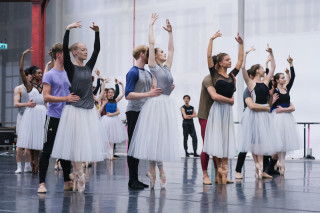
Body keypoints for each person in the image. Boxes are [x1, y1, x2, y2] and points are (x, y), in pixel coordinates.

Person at [51, 21, 107, 193]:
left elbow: (97, 50)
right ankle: (78, 172)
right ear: (74, 52)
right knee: (75, 144)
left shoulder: (88, 67)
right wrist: (67, 29)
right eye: (82, 49)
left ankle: (78, 172)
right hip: (74, 110)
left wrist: (97, 33)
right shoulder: (70, 67)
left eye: (85, 49)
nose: (85, 51)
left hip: (88, 109)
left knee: (84, 143)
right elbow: (65, 47)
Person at [128, 13, 181, 190]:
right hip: (156, 105)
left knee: (161, 138)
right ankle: (156, 169)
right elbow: (151, 44)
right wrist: (150, 26)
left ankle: (154, 169)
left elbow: (172, 50)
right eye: (161, 52)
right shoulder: (153, 67)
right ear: (155, 55)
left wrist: (171, 34)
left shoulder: (167, 68)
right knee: (154, 138)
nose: (165, 53)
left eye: (164, 51)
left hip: (166, 104)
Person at [37, 43, 80, 193]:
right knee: (47, 150)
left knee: (65, 150)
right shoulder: (49, 75)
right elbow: (46, 97)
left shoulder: (69, 73)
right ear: (58, 55)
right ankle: (42, 183)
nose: (67, 56)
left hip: (67, 117)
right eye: (64, 53)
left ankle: (67, 181)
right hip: (53, 116)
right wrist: (66, 98)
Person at [203, 30, 243, 184]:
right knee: (217, 138)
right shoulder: (214, 74)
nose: (230, 61)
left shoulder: (231, 75)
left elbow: (240, 61)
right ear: (219, 63)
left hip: (226, 111)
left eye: (230, 59)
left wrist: (241, 44)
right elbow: (208, 56)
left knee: (225, 139)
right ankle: (219, 167)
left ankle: (223, 168)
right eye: (227, 60)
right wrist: (211, 39)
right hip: (217, 109)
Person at [125, 39, 162, 190]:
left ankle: (136, 178)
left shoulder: (147, 72)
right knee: (133, 145)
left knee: (138, 145)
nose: (150, 57)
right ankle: (132, 179)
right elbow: (128, 94)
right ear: (142, 54)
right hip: (134, 111)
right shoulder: (132, 72)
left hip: (144, 111)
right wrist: (148, 93)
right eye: (148, 54)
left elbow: (153, 91)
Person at [239, 44, 281, 179]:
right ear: (257, 71)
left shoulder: (266, 81)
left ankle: (260, 167)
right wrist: (245, 53)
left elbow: (273, 67)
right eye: (262, 68)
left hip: (264, 114)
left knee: (262, 141)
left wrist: (272, 53)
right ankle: (257, 163)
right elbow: (243, 68)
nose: (264, 69)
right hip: (254, 114)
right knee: (253, 140)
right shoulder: (251, 84)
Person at [235, 69, 273, 179]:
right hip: (250, 119)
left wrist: (270, 98)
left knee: (261, 143)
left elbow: (267, 104)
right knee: (246, 145)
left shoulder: (261, 88)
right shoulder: (248, 90)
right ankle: (238, 170)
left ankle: (261, 169)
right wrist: (266, 108)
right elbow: (251, 105)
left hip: (261, 118)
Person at [16, 48, 46, 174]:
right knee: (32, 139)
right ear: (33, 74)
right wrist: (23, 55)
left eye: (41, 73)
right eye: (38, 73)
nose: (40, 74)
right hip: (32, 112)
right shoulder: (28, 86)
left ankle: (36, 160)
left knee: (39, 139)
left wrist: (51, 62)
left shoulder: (44, 85)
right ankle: (32, 162)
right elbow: (21, 70)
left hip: (42, 112)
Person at [271, 55, 300, 175]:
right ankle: (276, 164)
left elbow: (293, 78)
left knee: (284, 143)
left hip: (286, 117)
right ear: (277, 80)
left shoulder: (286, 89)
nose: (284, 79)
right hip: (277, 117)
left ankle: (282, 165)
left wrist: (291, 64)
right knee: (278, 143)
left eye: (284, 77)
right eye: (282, 77)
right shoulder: (274, 90)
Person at [13, 68, 35, 174]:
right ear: (25, 76)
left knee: (28, 144)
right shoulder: (19, 89)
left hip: (32, 117)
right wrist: (27, 104)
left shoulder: (35, 88)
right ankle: (18, 166)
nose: (32, 76)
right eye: (31, 75)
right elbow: (16, 104)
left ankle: (27, 166)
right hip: (22, 116)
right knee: (20, 143)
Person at [99, 80, 126, 160]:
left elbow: (123, 94)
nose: (110, 93)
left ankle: (111, 155)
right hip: (106, 120)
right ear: (108, 93)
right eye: (109, 92)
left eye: (112, 92)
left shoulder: (116, 100)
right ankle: (108, 154)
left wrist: (121, 85)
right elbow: (102, 91)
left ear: (113, 93)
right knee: (107, 138)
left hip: (114, 121)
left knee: (112, 139)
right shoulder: (106, 100)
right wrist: (103, 83)